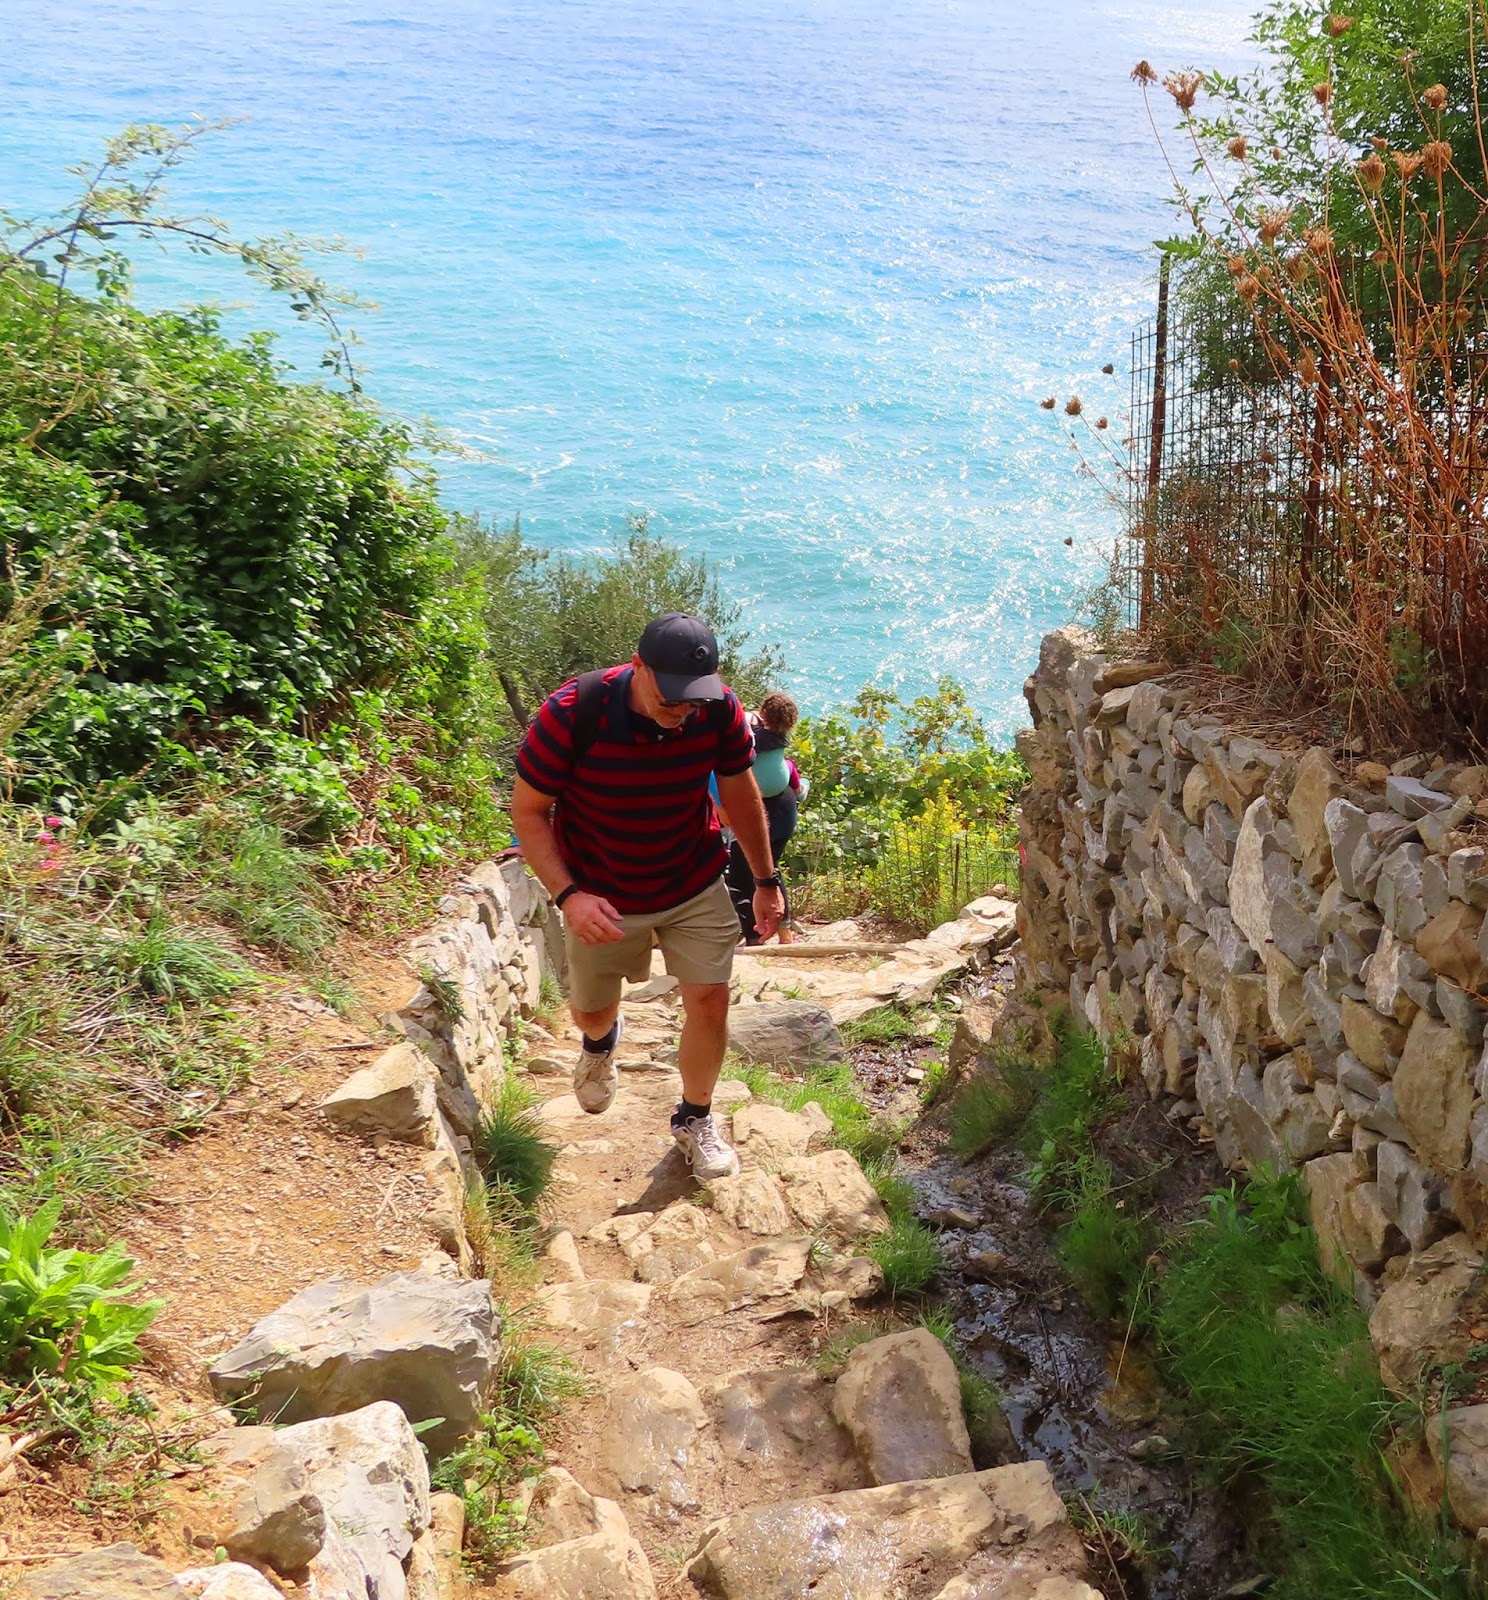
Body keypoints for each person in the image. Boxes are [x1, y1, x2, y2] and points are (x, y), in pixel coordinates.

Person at [510, 612, 786, 1181]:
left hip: (693, 881)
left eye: (694, 698)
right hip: (601, 896)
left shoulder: (717, 710)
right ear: (637, 667)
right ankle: (600, 1041)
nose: (683, 709)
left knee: (710, 999)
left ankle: (695, 1117)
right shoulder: (571, 714)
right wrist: (568, 897)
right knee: (591, 1011)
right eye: (672, 696)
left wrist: (765, 880)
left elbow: (739, 791)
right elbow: (530, 813)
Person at [721, 692, 803, 944]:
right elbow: (791, 775)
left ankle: (756, 936)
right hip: (785, 806)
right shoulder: (780, 742)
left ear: (763, 712)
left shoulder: (749, 737)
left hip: (754, 811)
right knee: (770, 871)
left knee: (740, 878)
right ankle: (784, 933)